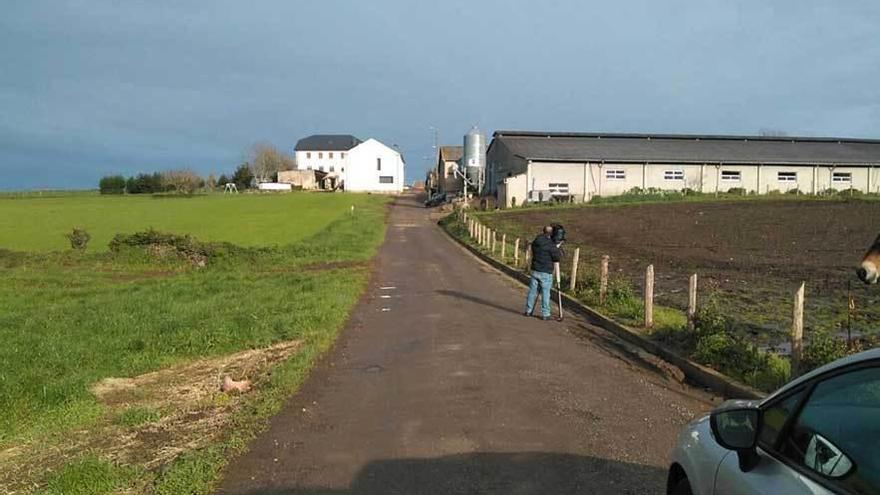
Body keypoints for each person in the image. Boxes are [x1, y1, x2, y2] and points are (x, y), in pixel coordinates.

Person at [524, 225, 562, 320]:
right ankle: (545, 314)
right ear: (551, 233)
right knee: (545, 293)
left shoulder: (536, 241)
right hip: (545, 272)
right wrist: (557, 248)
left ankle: (528, 310)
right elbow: (557, 257)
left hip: (535, 270)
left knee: (532, 291)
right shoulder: (550, 245)